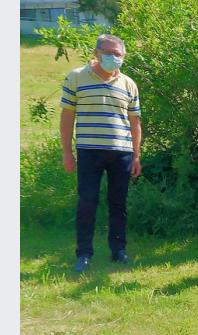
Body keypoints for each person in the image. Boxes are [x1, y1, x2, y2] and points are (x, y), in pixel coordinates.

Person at [61, 34, 142, 272]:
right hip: (89, 150)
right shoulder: (76, 77)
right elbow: (67, 117)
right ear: (96, 53)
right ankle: (84, 254)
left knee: (118, 203)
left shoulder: (129, 84)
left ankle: (118, 251)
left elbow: (135, 122)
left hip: (121, 152)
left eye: (118, 54)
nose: (113, 57)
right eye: (108, 52)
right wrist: (67, 152)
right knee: (87, 202)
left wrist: (136, 155)